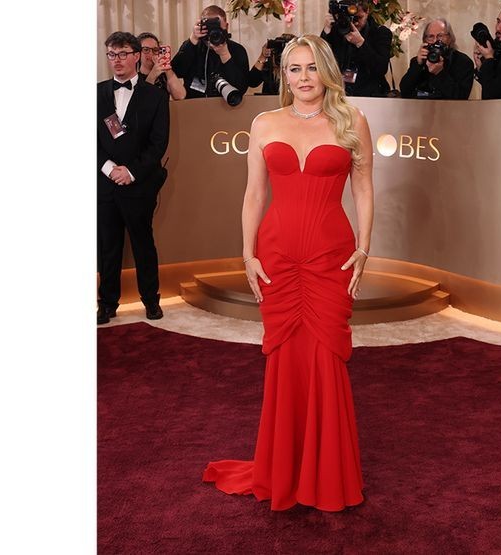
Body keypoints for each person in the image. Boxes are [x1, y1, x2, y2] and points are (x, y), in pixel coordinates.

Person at [202, 34, 374, 511]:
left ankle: (327, 473)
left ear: (327, 72)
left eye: (311, 68)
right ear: (284, 75)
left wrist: (364, 246)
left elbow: (363, 187)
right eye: (294, 69)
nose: (303, 78)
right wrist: (247, 253)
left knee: (325, 356)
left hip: (329, 255)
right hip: (276, 255)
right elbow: (254, 194)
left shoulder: (351, 120)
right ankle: (285, 467)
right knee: (285, 361)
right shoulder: (264, 122)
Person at [97, 32, 169, 324]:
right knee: (108, 247)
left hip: (139, 185)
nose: (117, 60)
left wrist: (130, 172)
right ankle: (107, 304)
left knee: (143, 245)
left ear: (137, 55)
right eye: (112, 55)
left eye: (123, 54)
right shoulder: (96, 92)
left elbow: (158, 143)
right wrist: (109, 168)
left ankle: (151, 300)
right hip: (104, 184)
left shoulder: (155, 96)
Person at [170, 5, 250, 99]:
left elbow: (241, 87)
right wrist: (192, 39)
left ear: (226, 26)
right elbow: (177, 72)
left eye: (217, 27)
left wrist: (225, 55)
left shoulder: (237, 50)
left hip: (227, 108)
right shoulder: (192, 46)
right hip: (194, 106)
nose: (213, 32)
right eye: (209, 28)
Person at [319, 1, 393, 97]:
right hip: (338, 93)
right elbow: (320, 58)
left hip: (370, 94)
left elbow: (381, 68)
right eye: (351, 18)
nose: (355, 22)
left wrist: (360, 43)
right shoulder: (336, 30)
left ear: (367, 12)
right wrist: (327, 30)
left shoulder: (380, 32)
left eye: (359, 17)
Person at [399, 18, 474, 99]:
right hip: (420, 109)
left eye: (440, 36)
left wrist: (439, 73)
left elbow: (461, 97)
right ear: (425, 40)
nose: (435, 41)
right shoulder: (419, 61)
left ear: (450, 38)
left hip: (450, 110)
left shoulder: (463, 62)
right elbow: (404, 91)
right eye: (431, 36)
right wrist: (417, 65)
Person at [136, 32, 186, 101]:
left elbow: (180, 96)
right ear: (138, 53)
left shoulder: (164, 77)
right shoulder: (134, 78)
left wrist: (167, 67)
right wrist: (153, 74)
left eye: (155, 50)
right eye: (146, 50)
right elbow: (141, 100)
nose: (151, 53)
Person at [475, 5, 501, 99]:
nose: (499, 28)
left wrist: (489, 59)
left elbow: (492, 93)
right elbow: (487, 84)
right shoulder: (497, 50)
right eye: (498, 21)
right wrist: (480, 67)